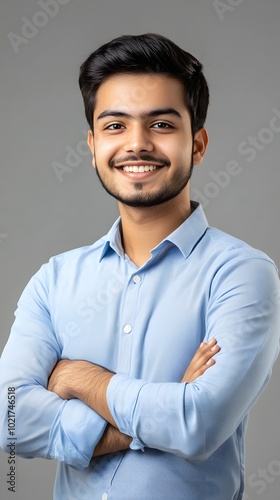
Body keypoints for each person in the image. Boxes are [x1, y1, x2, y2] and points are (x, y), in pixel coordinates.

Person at [0, 33, 279, 500]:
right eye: (114, 126)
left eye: (162, 125)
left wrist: (83, 380)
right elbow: (7, 418)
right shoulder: (56, 279)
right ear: (92, 145)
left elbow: (199, 424)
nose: (137, 144)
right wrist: (154, 416)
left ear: (199, 143)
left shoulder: (242, 274)